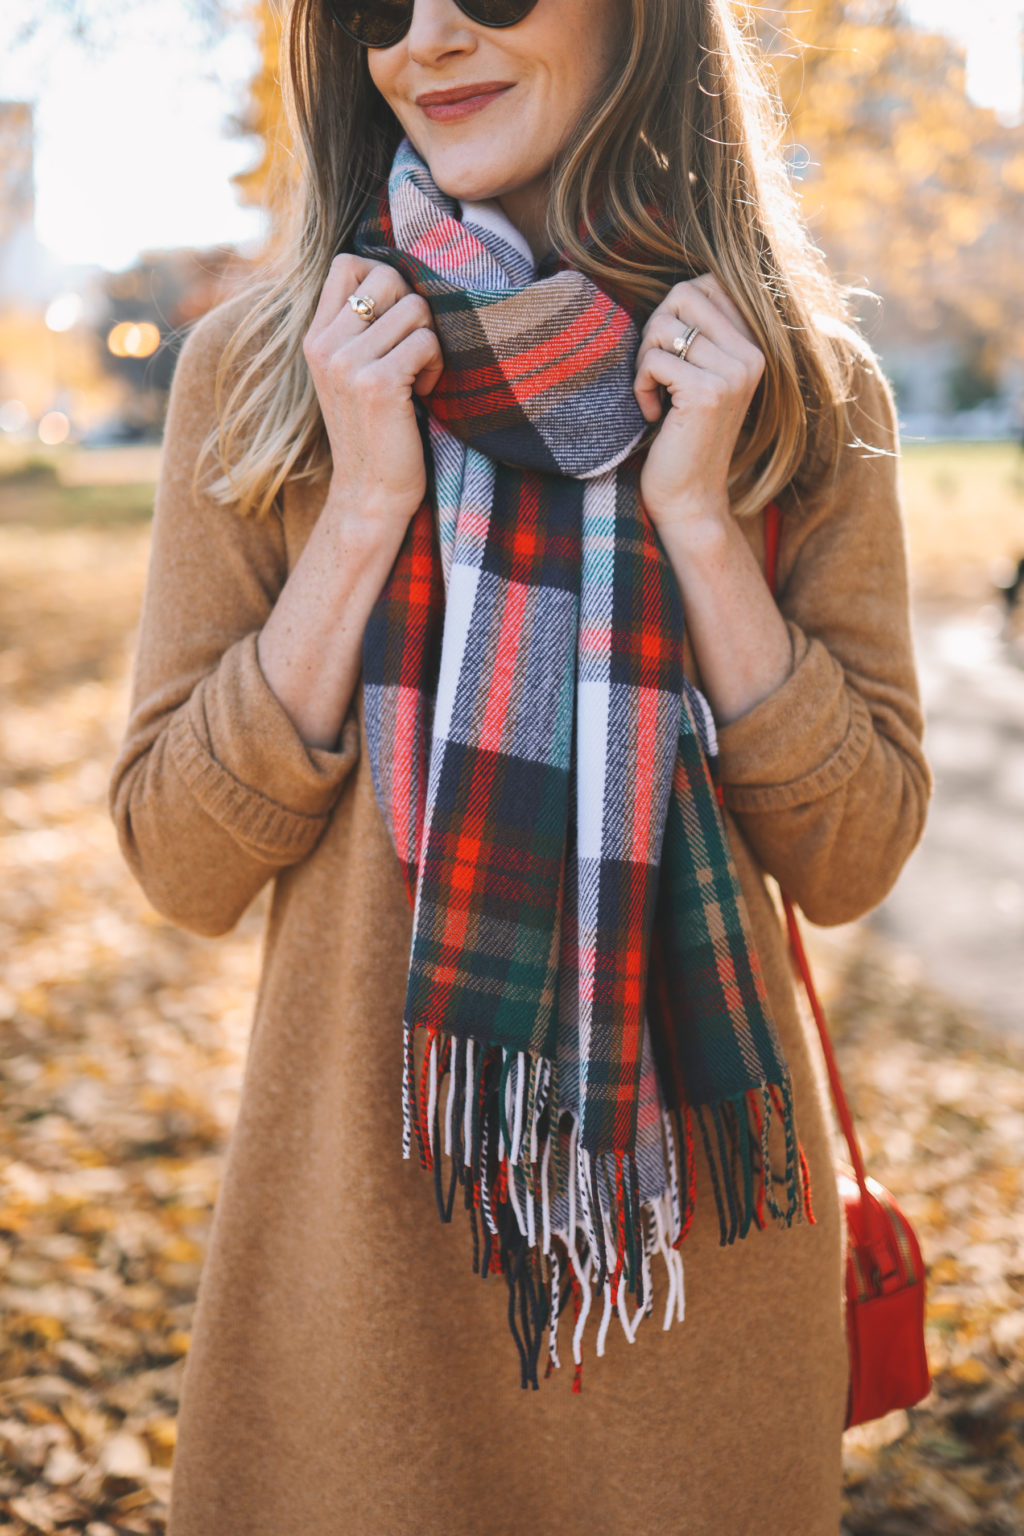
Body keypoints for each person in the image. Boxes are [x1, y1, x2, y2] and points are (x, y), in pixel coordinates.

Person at [108, 0, 931, 1530]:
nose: (426, 40)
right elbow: (180, 859)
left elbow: (855, 853)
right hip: (357, 1265)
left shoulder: (798, 391)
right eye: (371, 5)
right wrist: (360, 512)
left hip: (693, 1282)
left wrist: (700, 522)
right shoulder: (271, 369)